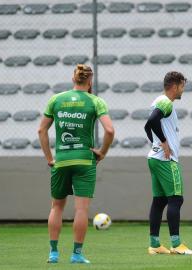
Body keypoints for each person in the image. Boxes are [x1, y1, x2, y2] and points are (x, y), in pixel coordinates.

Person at [38, 64, 114, 264]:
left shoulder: (56, 100)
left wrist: (49, 159)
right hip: (84, 159)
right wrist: (102, 153)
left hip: (61, 160)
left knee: (56, 207)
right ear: (90, 81)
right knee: (80, 210)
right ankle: (76, 254)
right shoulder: (96, 101)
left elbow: (41, 131)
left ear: (73, 79)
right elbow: (110, 131)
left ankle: (53, 254)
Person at [144, 71, 192, 255]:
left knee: (159, 201)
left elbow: (147, 125)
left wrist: (156, 144)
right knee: (176, 198)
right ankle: (176, 244)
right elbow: (151, 121)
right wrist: (164, 143)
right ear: (175, 86)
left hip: (154, 157)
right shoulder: (165, 102)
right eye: (182, 86)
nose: (183, 90)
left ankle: (155, 244)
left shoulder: (159, 101)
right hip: (166, 160)